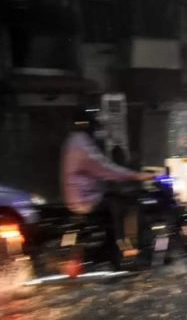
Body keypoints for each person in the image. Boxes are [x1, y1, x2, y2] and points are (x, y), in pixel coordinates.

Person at [61, 107, 153, 258]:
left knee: (116, 199)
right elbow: (105, 169)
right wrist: (136, 176)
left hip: (79, 196)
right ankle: (124, 249)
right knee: (125, 204)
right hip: (86, 199)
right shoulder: (82, 144)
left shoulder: (72, 140)